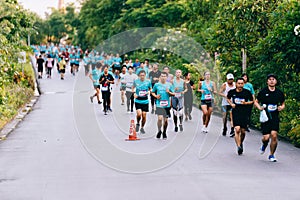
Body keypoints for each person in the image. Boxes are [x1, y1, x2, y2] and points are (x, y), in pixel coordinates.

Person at [254, 74, 285, 162]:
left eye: (273, 79)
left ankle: (271, 155)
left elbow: (283, 103)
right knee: (266, 137)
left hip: (275, 116)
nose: (271, 81)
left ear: (276, 81)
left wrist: (281, 107)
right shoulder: (263, 92)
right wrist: (259, 107)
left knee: (274, 136)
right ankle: (264, 145)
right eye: (270, 79)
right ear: (267, 81)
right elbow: (256, 101)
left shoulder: (279, 93)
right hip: (265, 117)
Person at [227, 77, 254, 155]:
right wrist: (231, 104)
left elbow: (252, 101)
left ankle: (240, 142)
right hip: (236, 112)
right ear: (236, 84)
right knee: (237, 129)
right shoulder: (232, 92)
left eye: (242, 84)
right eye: (239, 83)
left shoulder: (247, 92)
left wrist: (246, 103)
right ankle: (238, 146)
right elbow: (228, 98)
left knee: (243, 131)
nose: (240, 85)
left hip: (244, 113)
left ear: (244, 84)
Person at [152, 72, 175, 139]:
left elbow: (173, 94)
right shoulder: (156, 85)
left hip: (167, 105)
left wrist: (169, 92)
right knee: (159, 119)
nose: (163, 77)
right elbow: (152, 92)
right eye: (162, 76)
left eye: (164, 76)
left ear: (166, 77)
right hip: (159, 104)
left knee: (165, 121)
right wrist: (156, 96)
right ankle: (159, 130)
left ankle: (164, 132)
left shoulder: (170, 85)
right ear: (160, 77)